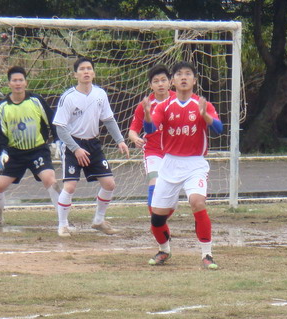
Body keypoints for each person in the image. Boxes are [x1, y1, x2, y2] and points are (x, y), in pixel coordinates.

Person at [142, 61, 223, 270]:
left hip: (195, 163)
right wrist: (148, 115)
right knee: (157, 217)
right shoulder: (164, 106)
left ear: (194, 80)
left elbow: (219, 129)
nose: (184, 77)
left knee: (197, 201)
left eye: (188, 74)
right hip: (169, 164)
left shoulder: (202, 104)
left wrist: (206, 116)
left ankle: (207, 254)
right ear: (173, 81)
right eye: (179, 74)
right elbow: (150, 129)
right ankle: (164, 250)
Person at [53, 57, 129, 237]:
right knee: (70, 186)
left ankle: (99, 220)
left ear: (93, 73)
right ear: (75, 74)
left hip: (93, 144)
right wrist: (76, 149)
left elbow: (108, 119)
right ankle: (63, 225)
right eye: (82, 69)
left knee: (109, 184)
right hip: (73, 145)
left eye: (89, 68)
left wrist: (120, 140)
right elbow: (60, 128)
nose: (86, 71)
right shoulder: (68, 97)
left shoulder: (100, 94)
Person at [0, 66, 61, 228]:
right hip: (15, 154)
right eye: (14, 80)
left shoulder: (36, 101)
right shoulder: (2, 107)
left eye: (20, 80)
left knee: (50, 180)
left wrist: (57, 140)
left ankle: (63, 220)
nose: (18, 83)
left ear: (26, 82)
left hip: (38, 150)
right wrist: (3, 152)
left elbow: (52, 120)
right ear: (9, 84)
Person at [128, 64, 175, 213]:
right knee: (154, 184)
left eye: (163, 80)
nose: (160, 84)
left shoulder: (179, 100)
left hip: (175, 152)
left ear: (170, 82)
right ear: (150, 85)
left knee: (170, 192)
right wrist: (135, 138)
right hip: (152, 151)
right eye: (156, 81)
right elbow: (132, 131)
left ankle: (163, 217)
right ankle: (155, 221)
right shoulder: (145, 105)